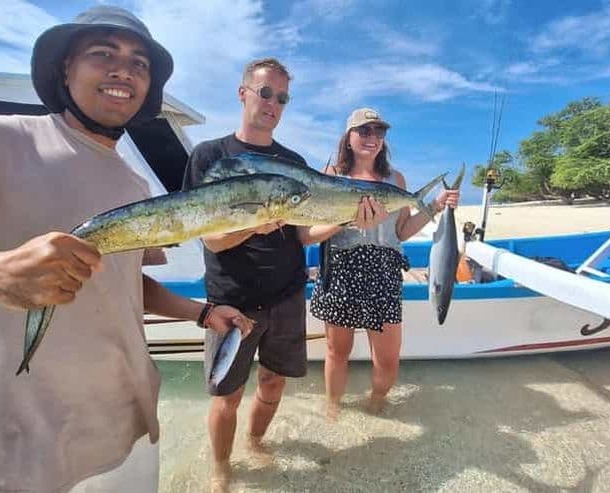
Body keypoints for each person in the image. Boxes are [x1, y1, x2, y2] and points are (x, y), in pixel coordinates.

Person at [0, 6, 252, 492]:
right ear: (65, 68)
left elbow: (122, 282)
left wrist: (202, 314)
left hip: (130, 429)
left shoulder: (135, 183)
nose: (124, 70)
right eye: (103, 53)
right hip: (20, 447)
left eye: (140, 63)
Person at [182, 58, 377, 493]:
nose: (273, 103)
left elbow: (304, 233)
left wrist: (349, 221)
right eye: (265, 93)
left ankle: (254, 442)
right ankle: (220, 469)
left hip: (287, 295)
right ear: (243, 93)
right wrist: (256, 221)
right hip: (231, 299)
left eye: (282, 98)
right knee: (226, 395)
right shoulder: (209, 156)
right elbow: (210, 239)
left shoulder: (292, 161)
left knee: (272, 384)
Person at [307, 107, 459, 419]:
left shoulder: (396, 178)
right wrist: (347, 221)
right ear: (348, 137)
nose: (372, 137)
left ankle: (376, 404)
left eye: (379, 132)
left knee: (388, 359)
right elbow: (311, 234)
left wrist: (436, 205)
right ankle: (333, 408)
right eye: (364, 131)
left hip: (384, 271)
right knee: (338, 352)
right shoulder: (331, 176)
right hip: (341, 269)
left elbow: (401, 231)